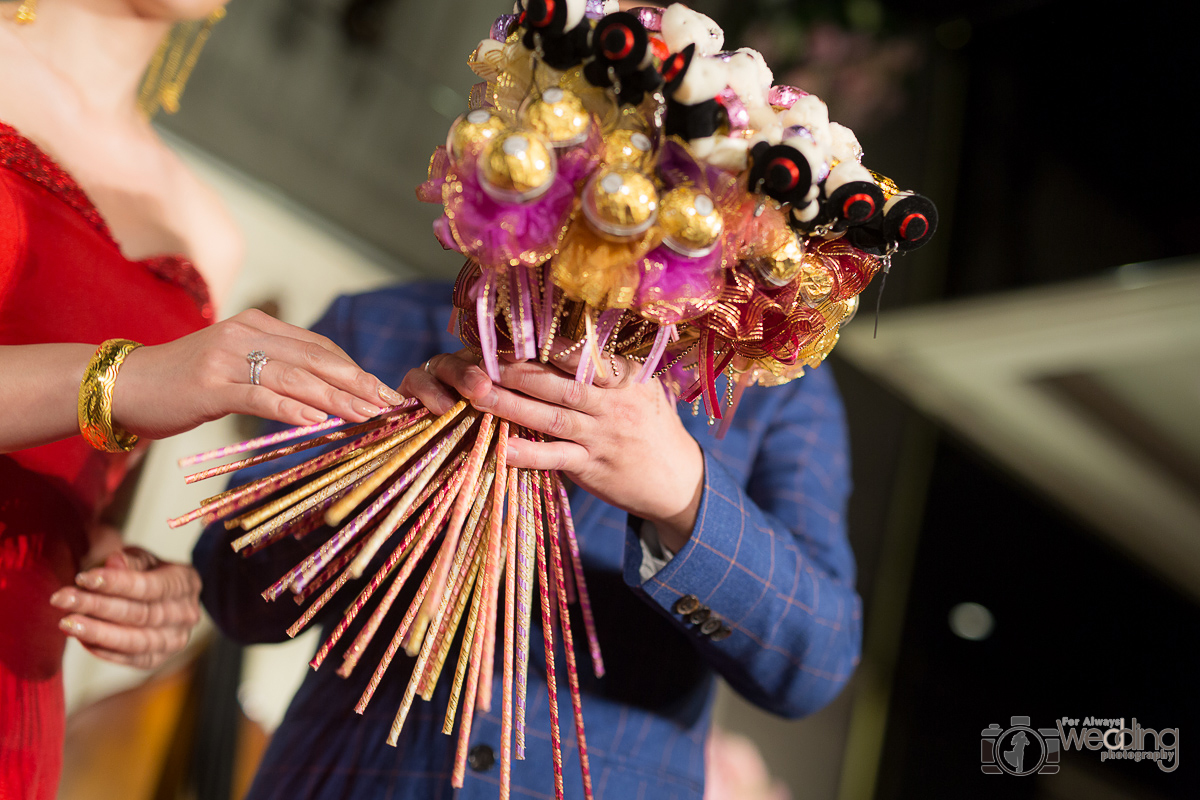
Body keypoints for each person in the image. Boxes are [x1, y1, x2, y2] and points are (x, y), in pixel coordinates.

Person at [195, 281, 862, 799]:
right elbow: (229, 593)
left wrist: (683, 493)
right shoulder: (381, 323)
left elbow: (815, 663)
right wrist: (377, 477)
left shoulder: (769, 392)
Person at [0, 1, 401, 796]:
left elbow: (87, 500)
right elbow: (118, 393)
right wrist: (132, 378)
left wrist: (135, 581)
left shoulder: (206, 233)